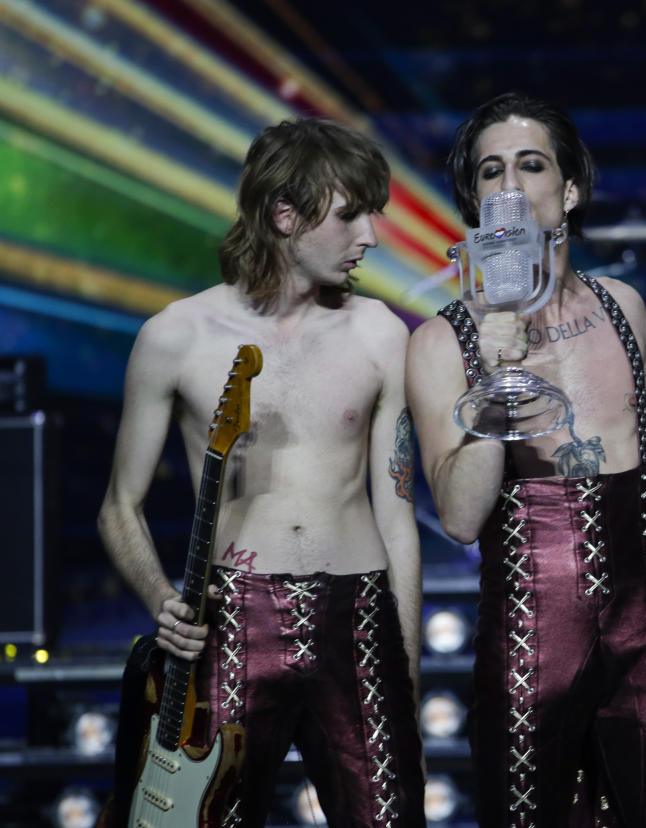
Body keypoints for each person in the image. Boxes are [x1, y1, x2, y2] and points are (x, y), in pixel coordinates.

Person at [406, 92, 646, 827]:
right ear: (474, 201)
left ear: (570, 189)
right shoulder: (440, 342)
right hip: (528, 644)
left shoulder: (621, 306)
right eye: (490, 172)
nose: (509, 185)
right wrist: (493, 376)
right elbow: (459, 515)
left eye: (531, 165)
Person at [98, 118, 426, 827]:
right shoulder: (175, 337)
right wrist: (162, 601)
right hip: (231, 620)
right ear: (285, 214)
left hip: (358, 617)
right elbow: (118, 505)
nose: (370, 235)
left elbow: (399, 519)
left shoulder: (380, 333)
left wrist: (407, 678)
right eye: (350, 215)